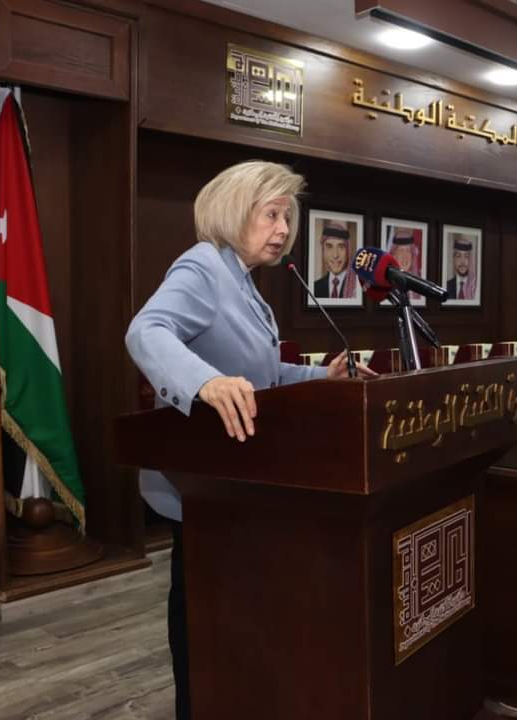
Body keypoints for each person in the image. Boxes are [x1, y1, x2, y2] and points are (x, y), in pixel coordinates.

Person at [125, 160, 374, 719]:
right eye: (271, 215)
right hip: (201, 484)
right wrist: (204, 382)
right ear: (235, 210)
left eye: (287, 218)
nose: (283, 230)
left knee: (229, 614)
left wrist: (323, 376)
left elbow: (263, 376)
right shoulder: (203, 267)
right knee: (200, 616)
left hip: (239, 483)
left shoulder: (243, 281)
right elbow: (146, 331)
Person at [313, 221, 356, 299]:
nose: (335, 255)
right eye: (329, 247)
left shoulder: (356, 287)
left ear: (348, 251)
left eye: (341, 247)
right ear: (323, 251)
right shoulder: (314, 288)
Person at [445, 234, 477, 301]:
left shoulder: (476, 287)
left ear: (470, 259)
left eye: (466, 256)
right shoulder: (446, 286)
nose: (462, 261)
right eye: (458, 256)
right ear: (454, 259)